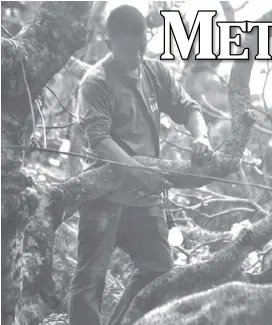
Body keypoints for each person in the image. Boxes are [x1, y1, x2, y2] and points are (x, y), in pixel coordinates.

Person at [68, 5, 213, 325]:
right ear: (109, 43)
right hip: (103, 197)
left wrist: (201, 138)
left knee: (160, 270)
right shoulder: (96, 82)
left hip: (144, 198)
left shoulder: (155, 72)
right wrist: (139, 172)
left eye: (142, 47)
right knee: (89, 283)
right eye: (128, 50)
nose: (137, 55)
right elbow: (100, 140)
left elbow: (188, 107)